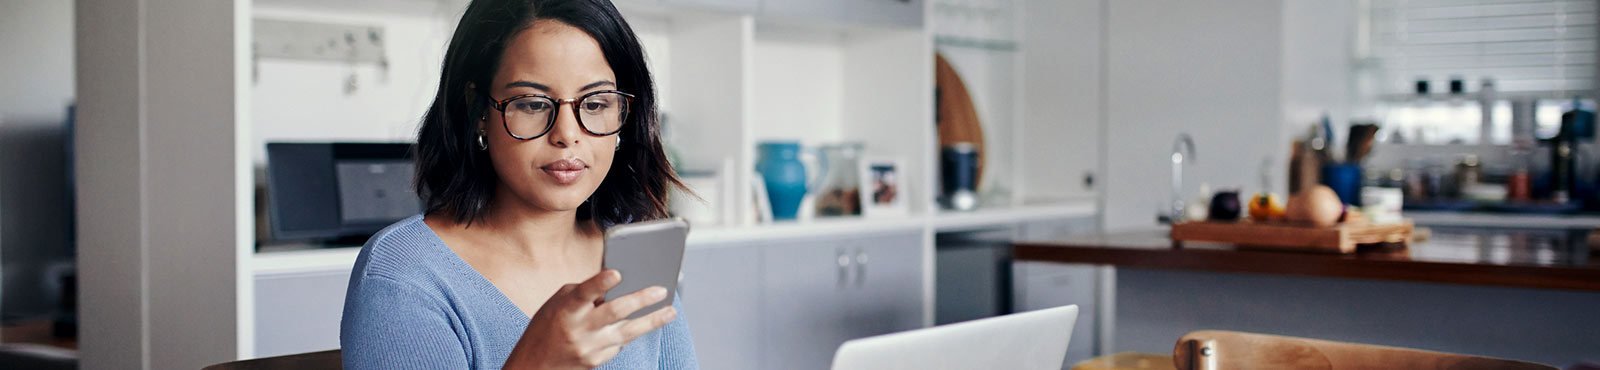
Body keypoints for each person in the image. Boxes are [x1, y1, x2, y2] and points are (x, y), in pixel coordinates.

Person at [339, 0, 698, 368]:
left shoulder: (635, 257)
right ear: (478, 111)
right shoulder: (404, 275)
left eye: (595, 103)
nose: (567, 135)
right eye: (531, 104)